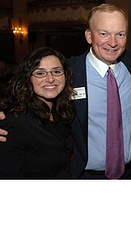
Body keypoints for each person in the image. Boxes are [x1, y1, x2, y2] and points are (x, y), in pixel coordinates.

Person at [0, 4, 131, 180]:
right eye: (104, 34)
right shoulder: (68, 72)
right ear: (88, 36)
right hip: (84, 175)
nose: (113, 43)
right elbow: (30, 98)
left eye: (120, 34)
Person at [0, 47, 75, 178]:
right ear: (28, 78)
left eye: (56, 71)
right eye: (40, 73)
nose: (50, 79)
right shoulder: (14, 121)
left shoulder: (63, 113)